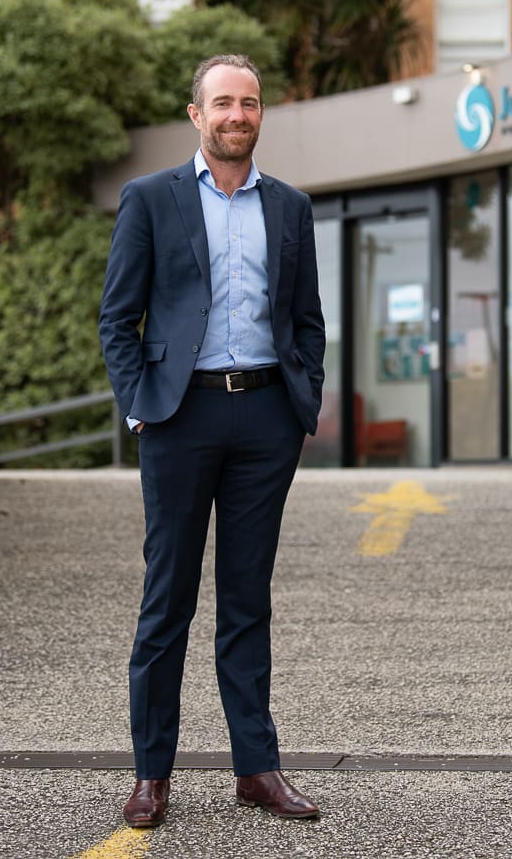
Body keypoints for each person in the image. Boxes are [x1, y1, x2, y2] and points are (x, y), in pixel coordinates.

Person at [99, 53, 326, 827]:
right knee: (167, 601)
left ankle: (256, 769)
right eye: (223, 103)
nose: (238, 115)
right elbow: (117, 320)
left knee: (247, 601)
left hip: (266, 419)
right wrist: (140, 410)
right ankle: (151, 774)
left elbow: (306, 320)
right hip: (178, 418)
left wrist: (303, 405)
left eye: (251, 103)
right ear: (197, 115)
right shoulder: (149, 199)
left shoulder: (290, 208)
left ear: (261, 115)